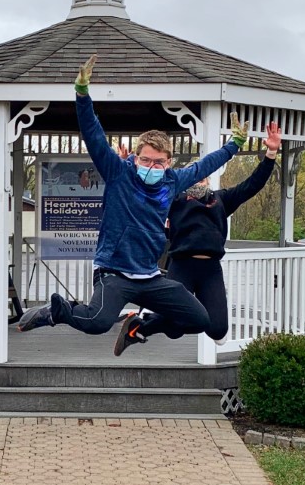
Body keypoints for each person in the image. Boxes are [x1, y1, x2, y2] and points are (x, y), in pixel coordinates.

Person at [16, 54, 247, 347]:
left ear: (168, 162)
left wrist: (234, 145)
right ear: (136, 157)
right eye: (145, 160)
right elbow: (94, 136)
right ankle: (55, 312)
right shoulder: (118, 172)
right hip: (113, 272)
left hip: (149, 277)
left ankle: (139, 326)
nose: (151, 167)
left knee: (200, 320)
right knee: (97, 322)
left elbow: (205, 166)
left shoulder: (173, 180)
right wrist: (82, 95)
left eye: (158, 162)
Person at [117, 121, 283, 354]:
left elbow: (252, 185)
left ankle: (140, 325)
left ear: (208, 180)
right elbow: (143, 192)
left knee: (218, 331)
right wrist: (128, 166)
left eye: (203, 177)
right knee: (174, 329)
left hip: (210, 270)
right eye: (195, 177)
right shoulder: (174, 198)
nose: (199, 181)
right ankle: (141, 327)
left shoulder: (221, 199)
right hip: (182, 266)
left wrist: (271, 153)